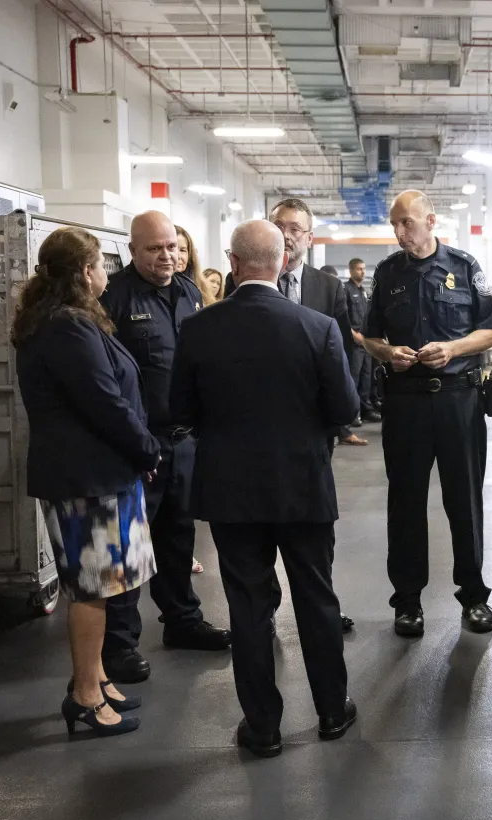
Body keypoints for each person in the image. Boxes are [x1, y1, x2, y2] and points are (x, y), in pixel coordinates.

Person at [171, 220, 359, 758]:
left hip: (231, 491)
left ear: (232, 262)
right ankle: (330, 712)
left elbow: (179, 411)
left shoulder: (200, 328)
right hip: (302, 486)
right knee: (316, 597)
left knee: (249, 607)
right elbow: (345, 410)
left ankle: (262, 727)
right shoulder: (318, 327)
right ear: (282, 263)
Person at [13, 227, 159, 737]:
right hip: (86, 478)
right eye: (100, 263)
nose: (106, 273)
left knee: (102, 586)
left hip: (95, 473)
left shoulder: (65, 321)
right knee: (93, 591)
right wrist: (147, 447)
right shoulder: (67, 328)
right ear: (83, 273)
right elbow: (103, 402)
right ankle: (85, 696)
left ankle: (96, 677)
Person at [362, 190, 492, 637]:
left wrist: (453, 348)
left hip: (458, 401)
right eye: (394, 225)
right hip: (405, 401)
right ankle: (407, 601)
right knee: (404, 503)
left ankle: (474, 597)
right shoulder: (387, 274)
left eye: (406, 223)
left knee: (464, 500)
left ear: (430, 220)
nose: (399, 232)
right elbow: (368, 337)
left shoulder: (464, 267)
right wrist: (388, 353)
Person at [100, 211, 231, 684]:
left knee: (178, 536)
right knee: (131, 547)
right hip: (140, 444)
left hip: (183, 441)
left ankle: (183, 622)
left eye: (174, 246)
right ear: (133, 250)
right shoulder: (113, 298)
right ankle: (119, 645)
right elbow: (107, 382)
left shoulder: (191, 295)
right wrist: (136, 443)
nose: (168, 255)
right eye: (155, 248)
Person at [267, 199, 368, 448]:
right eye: (278, 227)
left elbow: (340, 351)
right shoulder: (246, 279)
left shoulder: (329, 287)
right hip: (263, 411)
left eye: (294, 229)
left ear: (310, 238)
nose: (285, 235)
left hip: (314, 415)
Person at [344, 258, 382, 423]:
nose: (363, 272)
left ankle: (365, 409)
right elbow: (343, 318)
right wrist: (355, 335)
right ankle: (352, 413)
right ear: (351, 271)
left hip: (365, 341)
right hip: (354, 341)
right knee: (354, 377)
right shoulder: (345, 289)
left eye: (364, 268)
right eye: (359, 269)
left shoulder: (363, 291)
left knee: (367, 377)